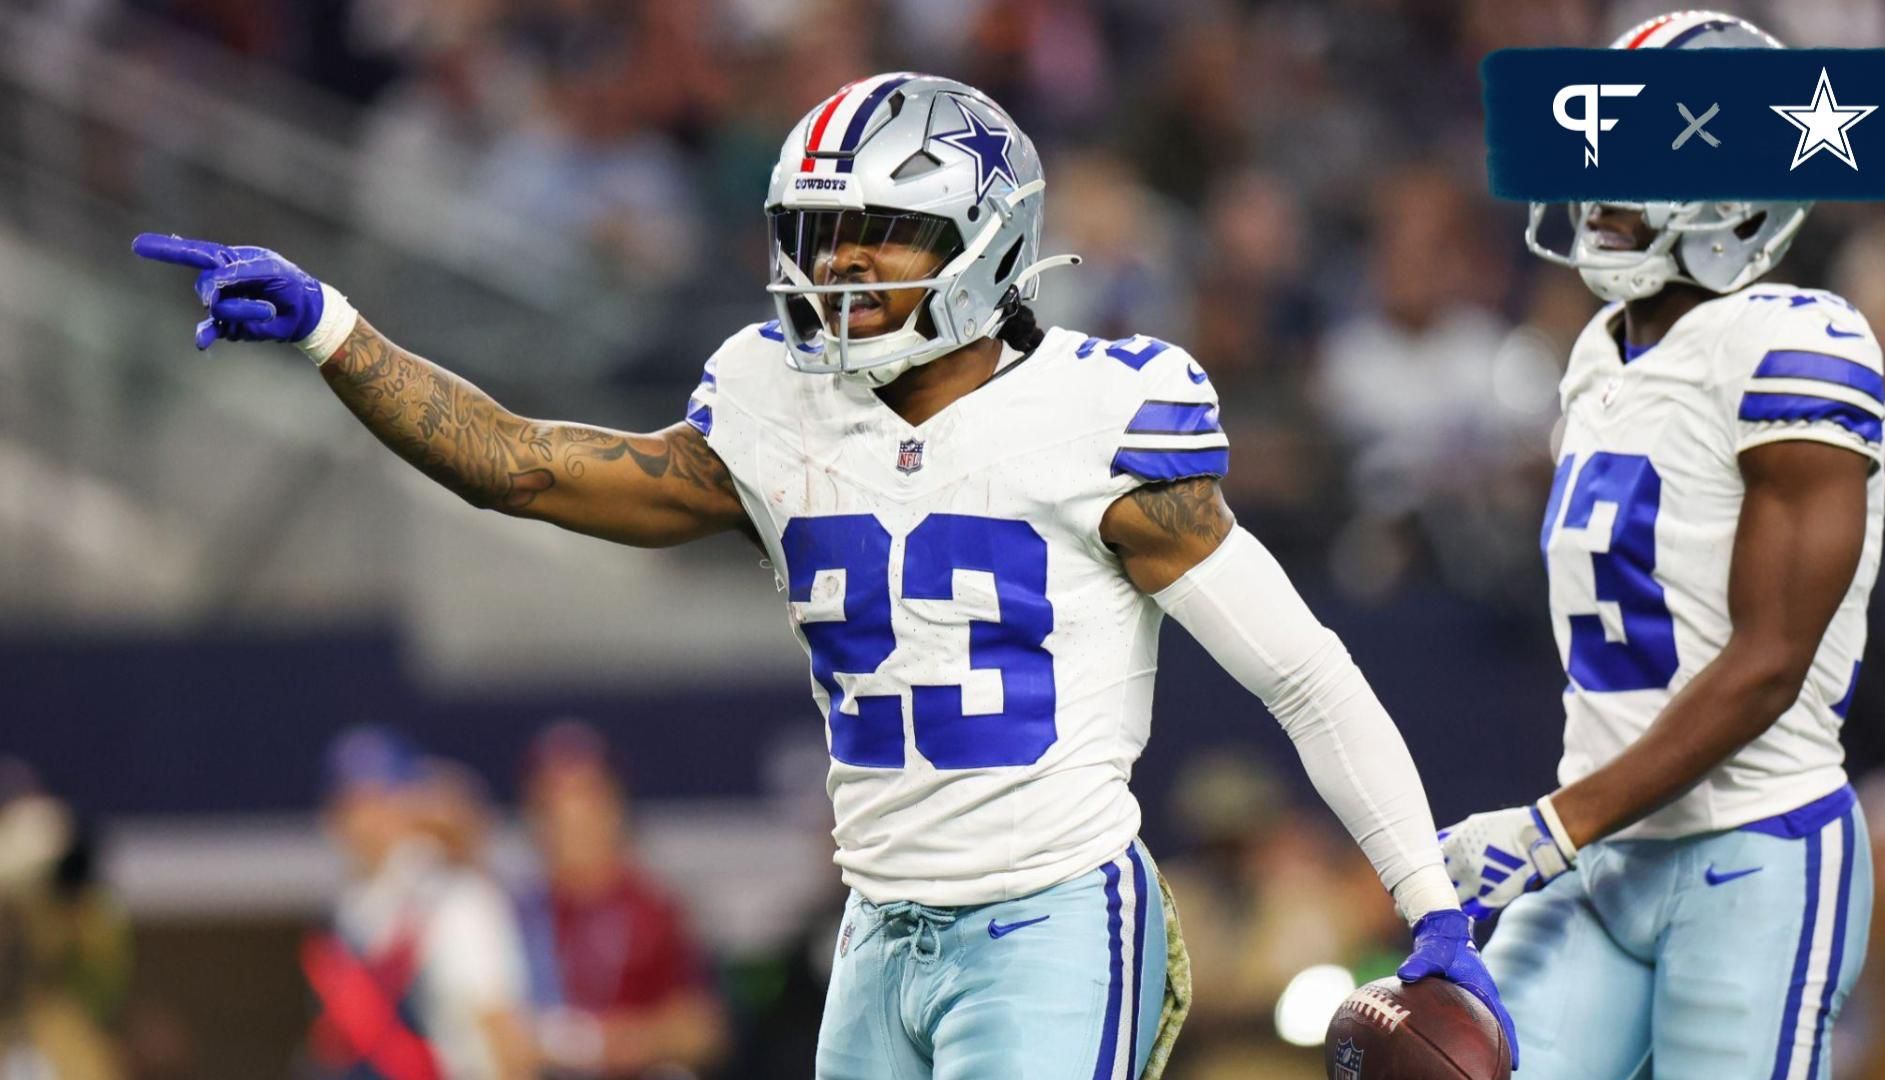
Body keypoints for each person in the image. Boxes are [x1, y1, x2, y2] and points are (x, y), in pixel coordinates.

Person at [133, 73, 1509, 1078]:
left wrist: (1428, 902)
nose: (837, 263)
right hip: (878, 925)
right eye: (820, 228)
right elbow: (524, 467)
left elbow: (1303, 673)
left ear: (988, 241)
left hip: (1049, 914)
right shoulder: (772, 402)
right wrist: (336, 332)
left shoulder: (1100, 415)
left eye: (882, 232)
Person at [1438, 12, 1885, 1080]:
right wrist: (1572, 828)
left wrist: (1553, 824)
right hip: (1603, 855)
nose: (1602, 184)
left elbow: (1769, 661)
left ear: (1736, 194)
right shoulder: (1598, 353)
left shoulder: (1797, 342)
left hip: (1754, 850)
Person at [309, 727, 536, 1080]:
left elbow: (504, 1034)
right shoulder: (349, 912)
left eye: (383, 797)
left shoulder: (457, 899)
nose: (369, 818)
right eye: (354, 802)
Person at [516, 722, 727, 1077]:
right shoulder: (519, 913)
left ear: (613, 807)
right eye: (552, 803)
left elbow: (702, 1031)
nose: (571, 816)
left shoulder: (655, 911)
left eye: (585, 797)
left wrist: (603, 1044)